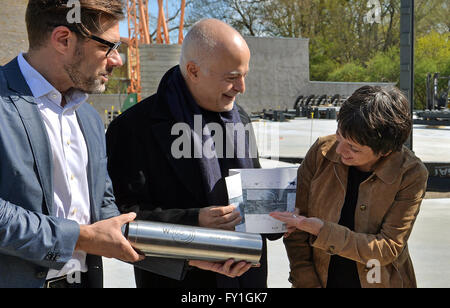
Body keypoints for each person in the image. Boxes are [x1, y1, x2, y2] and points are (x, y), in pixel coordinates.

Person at [0, 1, 248, 288]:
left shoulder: (89, 119)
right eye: (108, 47)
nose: (117, 60)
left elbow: (109, 217)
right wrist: (81, 237)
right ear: (63, 40)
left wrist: (187, 256)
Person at [106, 18, 278, 288]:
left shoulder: (239, 118)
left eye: (244, 75)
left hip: (247, 283)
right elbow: (121, 219)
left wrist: (278, 213)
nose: (242, 87)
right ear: (194, 71)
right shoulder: (132, 128)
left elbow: (252, 191)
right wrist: (194, 220)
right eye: (232, 78)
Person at [270, 86, 429, 288]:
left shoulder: (410, 173)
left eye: (353, 147)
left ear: (385, 151)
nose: (339, 149)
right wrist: (306, 281)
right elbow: (296, 229)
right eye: (339, 135)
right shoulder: (321, 152)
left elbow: (387, 248)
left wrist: (322, 230)